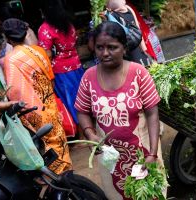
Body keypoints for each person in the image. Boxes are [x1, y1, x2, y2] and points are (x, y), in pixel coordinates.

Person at [74, 21, 166, 199]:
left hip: (142, 153)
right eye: (100, 47)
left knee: (146, 193)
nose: (105, 53)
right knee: (118, 193)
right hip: (110, 158)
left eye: (112, 47)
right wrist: (90, 134)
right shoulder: (89, 76)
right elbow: (83, 110)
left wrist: (153, 153)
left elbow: (152, 113)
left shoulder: (139, 74)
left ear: (124, 48)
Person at [2, 18, 72, 174]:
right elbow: (51, 80)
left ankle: (59, 178)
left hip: (34, 111)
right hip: (50, 105)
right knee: (59, 141)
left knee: (47, 147)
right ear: (26, 32)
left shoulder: (11, 59)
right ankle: (68, 174)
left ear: (7, 38)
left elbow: (15, 91)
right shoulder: (39, 51)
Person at [37, 0, 85, 128]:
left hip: (60, 70)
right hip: (76, 65)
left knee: (69, 101)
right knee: (82, 97)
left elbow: (46, 55)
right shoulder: (69, 25)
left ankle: (81, 133)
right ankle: (89, 129)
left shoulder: (45, 28)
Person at [105, 0, 153, 66]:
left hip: (129, 49)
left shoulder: (111, 15)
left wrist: (144, 49)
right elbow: (138, 29)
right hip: (133, 47)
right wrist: (144, 49)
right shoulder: (128, 8)